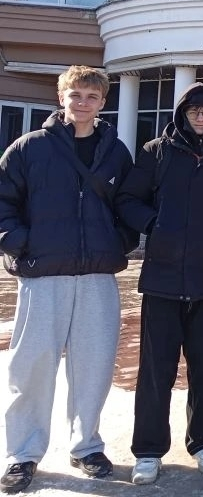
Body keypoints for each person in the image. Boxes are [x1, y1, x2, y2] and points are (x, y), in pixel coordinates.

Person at [115, 83, 203, 485]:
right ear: (182, 113)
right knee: (155, 370)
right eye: (194, 110)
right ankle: (148, 450)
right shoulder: (156, 152)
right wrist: (154, 225)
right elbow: (128, 200)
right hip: (162, 277)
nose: (200, 116)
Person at [0, 66, 134, 494]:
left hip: (97, 275)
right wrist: (20, 243)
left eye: (92, 96)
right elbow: (3, 202)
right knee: (32, 367)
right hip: (44, 275)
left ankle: (86, 445)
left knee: (94, 366)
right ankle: (23, 454)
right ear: (61, 98)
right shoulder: (29, 148)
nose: (83, 103)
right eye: (75, 94)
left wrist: (119, 242)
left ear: (103, 102)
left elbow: (129, 203)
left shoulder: (116, 153)